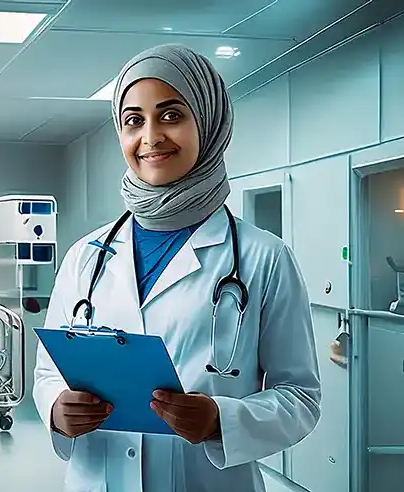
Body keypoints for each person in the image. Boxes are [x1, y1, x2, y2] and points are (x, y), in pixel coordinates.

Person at [33, 44, 322, 492]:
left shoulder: (264, 257)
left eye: (171, 115)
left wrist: (221, 420)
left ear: (208, 123)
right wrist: (56, 407)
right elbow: (49, 371)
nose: (150, 136)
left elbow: (300, 397)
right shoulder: (85, 255)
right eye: (133, 120)